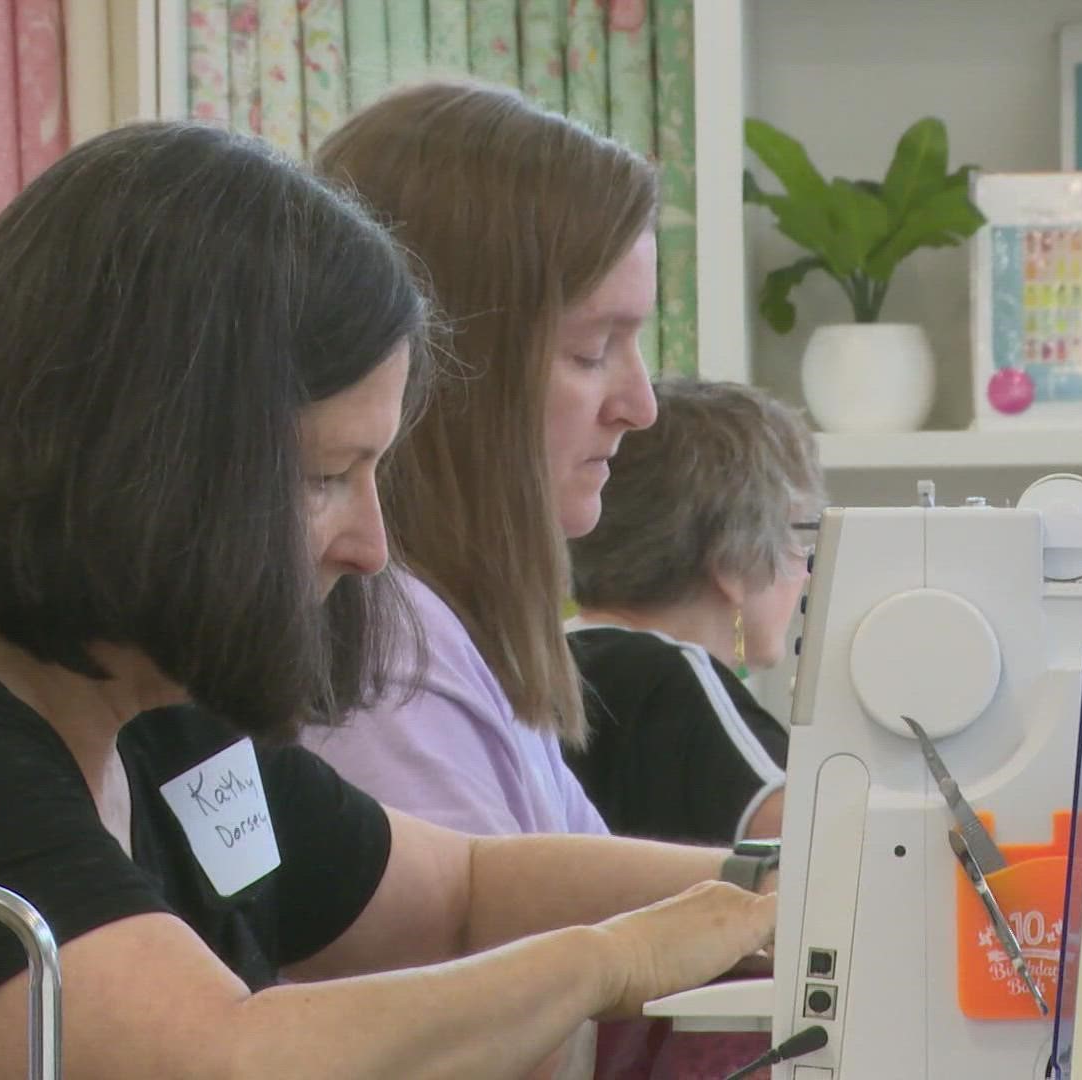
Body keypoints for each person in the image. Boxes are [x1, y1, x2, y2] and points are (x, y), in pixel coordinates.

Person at [0, 121, 773, 1079]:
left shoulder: (150, 717)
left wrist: (792, 887)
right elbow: (225, 1059)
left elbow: (466, 890)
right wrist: (612, 961)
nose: (372, 546)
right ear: (151, 463)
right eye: (324, 477)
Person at [301, 82, 780, 1080]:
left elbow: (496, 893)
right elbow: (495, 1026)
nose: (640, 404)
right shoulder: (384, 663)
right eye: (593, 350)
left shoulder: (452, 641)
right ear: (452, 370)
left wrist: (813, 895)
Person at [566, 379, 826, 847]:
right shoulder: (674, 679)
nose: (805, 571)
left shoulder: (552, 660)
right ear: (736, 557)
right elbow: (822, 845)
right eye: (795, 535)